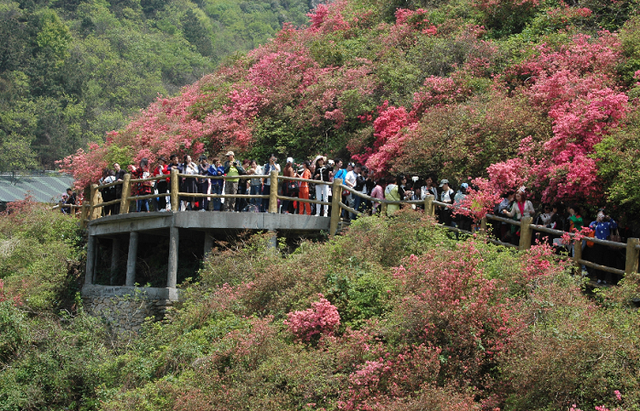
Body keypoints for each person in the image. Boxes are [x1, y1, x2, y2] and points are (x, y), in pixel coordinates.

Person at [589, 210, 618, 284]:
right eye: (600, 215)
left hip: (606, 244)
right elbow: (590, 228)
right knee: (598, 260)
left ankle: (604, 278)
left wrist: (610, 218)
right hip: (597, 244)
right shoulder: (595, 223)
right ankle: (599, 278)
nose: (601, 217)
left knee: (605, 261)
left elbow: (614, 226)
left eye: (602, 215)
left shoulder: (607, 224)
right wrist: (596, 221)